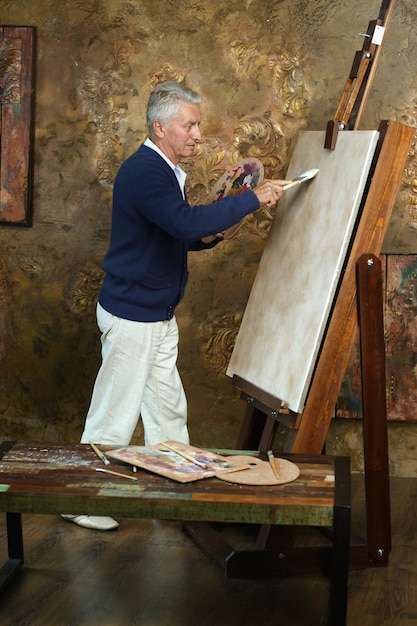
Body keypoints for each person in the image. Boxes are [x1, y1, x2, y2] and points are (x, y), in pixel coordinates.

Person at [62, 81, 289, 530]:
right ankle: (79, 497)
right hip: (133, 316)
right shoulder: (146, 171)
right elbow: (181, 223)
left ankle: (173, 497)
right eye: (189, 125)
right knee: (114, 413)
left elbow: (174, 235)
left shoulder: (164, 170)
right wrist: (251, 199)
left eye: (198, 125)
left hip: (154, 315)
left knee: (167, 413)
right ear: (159, 126)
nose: (197, 135)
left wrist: (208, 236)